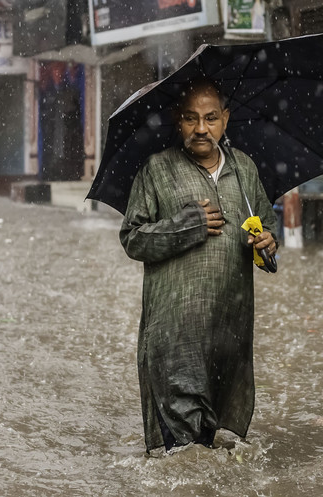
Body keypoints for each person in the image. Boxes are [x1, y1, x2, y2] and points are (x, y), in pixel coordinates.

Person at [119, 79, 277, 453]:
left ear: (225, 119)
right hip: (176, 335)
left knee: (217, 446)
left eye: (210, 118)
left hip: (228, 336)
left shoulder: (245, 170)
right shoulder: (157, 170)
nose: (201, 129)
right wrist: (185, 225)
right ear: (179, 121)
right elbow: (133, 238)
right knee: (183, 451)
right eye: (191, 119)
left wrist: (268, 244)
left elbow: (268, 235)